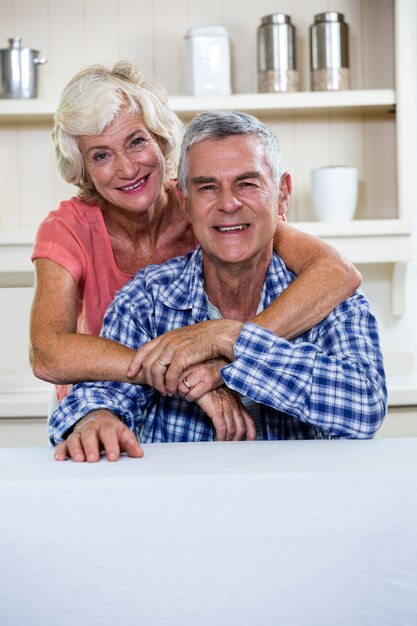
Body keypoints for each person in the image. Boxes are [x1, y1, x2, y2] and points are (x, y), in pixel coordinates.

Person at [49, 111, 387, 462]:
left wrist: (229, 339)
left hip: (298, 505)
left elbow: (365, 406)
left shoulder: (330, 298)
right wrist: (97, 418)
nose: (228, 204)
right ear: (184, 201)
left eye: (247, 183)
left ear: (283, 194)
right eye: (207, 187)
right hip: (182, 508)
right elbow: (100, 394)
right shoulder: (145, 299)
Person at [29, 61, 361, 408]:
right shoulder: (67, 229)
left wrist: (232, 345)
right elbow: (48, 353)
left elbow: (336, 273)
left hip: (204, 405)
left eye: (137, 141)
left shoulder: (210, 204)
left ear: (161, 140)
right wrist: (184, 373)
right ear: (83, 170)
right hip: (103, 404)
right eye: (101, 155)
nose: (127, 168)